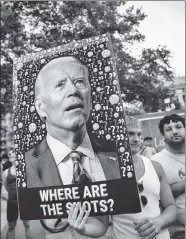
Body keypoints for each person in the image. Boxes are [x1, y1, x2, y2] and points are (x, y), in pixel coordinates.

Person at [25, 56, 121, 237]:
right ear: (40, 107)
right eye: (59, 85)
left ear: (90, 97)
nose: (73, 90)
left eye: (79, 81)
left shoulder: (118, 157)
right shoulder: (27, 166)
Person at [68, 116, 177, 239]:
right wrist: (82, 228)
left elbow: (171, 207)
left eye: (139, 134)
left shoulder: (155, 167)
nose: (136, 139)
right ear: (117, 136)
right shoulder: (103, 173)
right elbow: (101, 226)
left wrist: (159, 222)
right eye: (130, 134)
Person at [151, 114, 185, 238]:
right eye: (169, 129)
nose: (175, 131)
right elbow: (156, 196)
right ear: (163, 136)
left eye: (178, 127)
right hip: (178, 230)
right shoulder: (155, 161)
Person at [2, 151, 32, 239]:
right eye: (10, 154)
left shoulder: (24, 170)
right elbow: (6, 187)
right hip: (12, 202)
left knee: (27, 224)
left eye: (15, 154)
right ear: (10, 159)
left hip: (24, 201)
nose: (13, 156)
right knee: (11, 226)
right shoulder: (6, 172)